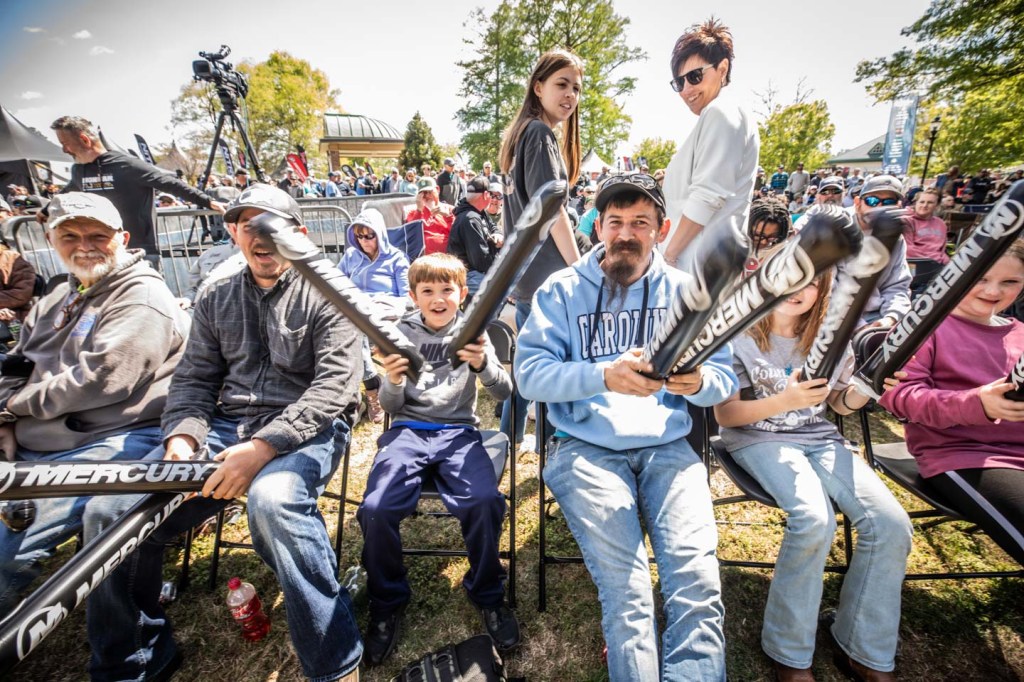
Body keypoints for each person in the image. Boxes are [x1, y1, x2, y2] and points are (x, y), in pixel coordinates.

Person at [83, 184, 363, 682]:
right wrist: (182, 440)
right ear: (234, 233)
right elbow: (193, 380)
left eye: (272, 225)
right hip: (225, 426)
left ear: (299, 235)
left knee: (273, 501)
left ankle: (335, 663)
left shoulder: (330, 293)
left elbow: (334, 389)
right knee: (109, 509)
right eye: (248, 225)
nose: (260, 236)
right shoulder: (216, 294)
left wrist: (262, 448)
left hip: (307, 429)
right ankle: (133, 659)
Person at [515, 175, 737, 680]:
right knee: (629, 590)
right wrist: (602, 375)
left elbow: (723, 380)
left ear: (662, 229)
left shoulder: (688, 293)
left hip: (668, 449)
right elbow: (529, 376)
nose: (625, 233)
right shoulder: (562, 290)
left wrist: (699, 382)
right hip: (584, 448)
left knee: (698, 584)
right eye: (614, 221)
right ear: (598, 228)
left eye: (640, 222)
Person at [714, 269, 912, 682]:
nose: (796, 289)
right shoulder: (739, 334)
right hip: (756, 437)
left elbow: (839, 405)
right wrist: (784, 400)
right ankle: (789, 652)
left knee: (891, 523)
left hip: (818, 438)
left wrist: (869, 388)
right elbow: (727, 415)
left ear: (822, 290)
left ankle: (862, 648)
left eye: (810, 281)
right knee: (814, 520)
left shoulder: (832, 336)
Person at [0, 192, 189, 612]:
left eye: (98, 236)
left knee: (4, 551)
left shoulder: (141, 296)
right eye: (70, 236)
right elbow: (17, 362)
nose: (85, 246)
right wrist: (6, 420)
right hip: (35, 436)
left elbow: (104, 378)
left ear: (122, 238)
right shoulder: (56, 297)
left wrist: (16, 407)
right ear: (51, 240)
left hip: (113, 437)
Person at [358, 253, 518, 666]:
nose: (438, 298)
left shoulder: (473, 331)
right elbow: (391, 405)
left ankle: (487, 592)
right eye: (427, 290)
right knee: (375, 508)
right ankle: (387, 600)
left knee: (485, 501)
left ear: (462, 293)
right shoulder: (400, 333)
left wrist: (483, 364)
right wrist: (393, 379)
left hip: (459, 433)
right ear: (414, 296)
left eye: (447, 289)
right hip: (407, 432)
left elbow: (504, 391)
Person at [881, 241, 1024, 567]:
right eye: (981, 277)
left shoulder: (1020, 334)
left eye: (1010, 281)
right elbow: (899, 398)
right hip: (962, 455)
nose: (993, 291)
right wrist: (978, 404)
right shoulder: (923, 328)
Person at [497, 48, 585, 448]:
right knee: (548, 371)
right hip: (547, 277)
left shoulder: (524, 134)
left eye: (576, 88)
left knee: (528, 368)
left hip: (529, 276)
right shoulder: (538, 134)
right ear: (538, 87)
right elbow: (553, 211)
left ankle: (507, 443)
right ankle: (551, 449)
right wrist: (579, 267)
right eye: (561, 84)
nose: (570, 95)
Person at [41, 116, 225, 262]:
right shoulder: (79, 170)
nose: (64, 150)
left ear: (84, 140)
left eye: (64, 143)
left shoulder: (127, 165)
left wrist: (208, 201)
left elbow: (169, 183)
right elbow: (69, 190)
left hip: (139, 252)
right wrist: (46, 210)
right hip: (100, 252)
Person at [660, 18, 760, 270]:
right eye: (679, 82)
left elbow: (707, 197)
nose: (686, 89)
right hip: (704, 266)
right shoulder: (724, 114)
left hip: (694, 268)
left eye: (694, 76)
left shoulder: (721, 112)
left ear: (722, 69)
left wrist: (668, 257)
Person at [339, 208, 410, 424]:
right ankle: (369, 385)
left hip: (385, 313)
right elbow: (335, 283)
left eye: (369, 235)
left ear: (380, 233)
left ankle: (370, 388)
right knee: (349, 328)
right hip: (355, 312)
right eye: (359, 236)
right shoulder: (351, 256)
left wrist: (384, 306)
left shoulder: (396, 258)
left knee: (355, 330)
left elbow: (408, 297)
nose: (364, 241)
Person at [843, 174, 912, 328]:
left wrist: (891, 318)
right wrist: (861, 328)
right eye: (872, 201)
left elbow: (897, 286)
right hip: (835, 320)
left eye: (889, 202)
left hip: (877, 316)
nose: (879, 207)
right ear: (857, 203)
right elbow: (827, 292)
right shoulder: (837, 229)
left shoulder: (896, 238)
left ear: (898, 206)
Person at [448, 176, 500, 297]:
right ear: (486, 195)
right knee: (501, 292)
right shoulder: (470, 218)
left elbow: (493, 226)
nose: (493, 198)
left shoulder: (478, 212)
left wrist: (498, 234)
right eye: (491, 195)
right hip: (467, 274)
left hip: (473, 271)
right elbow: (480, 261)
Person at [405, 176, 456, 254]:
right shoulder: (414, 212)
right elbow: (412, 233)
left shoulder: (450, 210)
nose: (427, 196)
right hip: (423, 256)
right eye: (423, 193)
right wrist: (419, 210)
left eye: (430, 192)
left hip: (446, 255)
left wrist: (447, 216)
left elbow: (457, 233)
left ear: (437, 189)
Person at [903, 188, 950, 266]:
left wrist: (946, 261)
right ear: (916, 203)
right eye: (922, 202)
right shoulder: (907, 221)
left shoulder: (941, 223)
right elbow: (908, 249)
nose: (925, 205)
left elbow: (942, 250)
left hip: (939, 264)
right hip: (916, 264)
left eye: (930, 202)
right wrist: (932, 261)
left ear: (936, 206)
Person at [746, 196, 792, 273]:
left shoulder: (782, 254)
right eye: (758, 235)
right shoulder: (732, 248)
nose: (764, 242)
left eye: (772, 237)